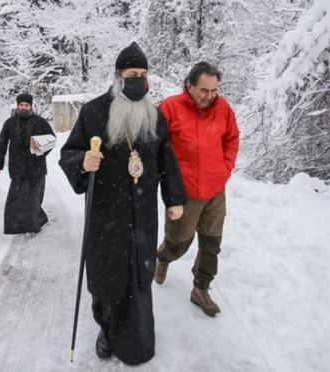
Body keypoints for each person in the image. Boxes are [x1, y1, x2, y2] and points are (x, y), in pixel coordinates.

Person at [59, 42, 187, 365]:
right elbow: (68, 152)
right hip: (106, 215)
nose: (139, 80)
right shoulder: (94, 111)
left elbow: (166, 159)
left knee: (139, 277)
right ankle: (106, 329)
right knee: (106, 279)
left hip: (143, 216)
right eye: (133, 74)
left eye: (144, 75)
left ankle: (139, 336)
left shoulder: (155, 117)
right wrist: (82, 162)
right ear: (118, 76)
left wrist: (174, 198)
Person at [154, 62, 240, 317]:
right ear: (189, 85)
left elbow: (232, 138)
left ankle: (200, 288)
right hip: (184, 194)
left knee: (211, 243)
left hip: (215, 190)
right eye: (204, 90)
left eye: (214, 90)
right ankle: (164, 257)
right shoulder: (170, 108)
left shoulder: (223, 108)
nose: (210, 96)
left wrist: (225, 168)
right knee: (179, 242)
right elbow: (156, 146)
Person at [0, 93, 56, 234]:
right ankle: (18, 226)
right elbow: (1, 143)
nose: (23, 107)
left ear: (31, 106)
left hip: (36, 168)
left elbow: (52, 141)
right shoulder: (9, 123)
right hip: (17, 167)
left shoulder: (40, 122)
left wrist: (39, 147)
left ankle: (34, 224)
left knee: (33, 199)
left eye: (26, 105)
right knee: (15, 199)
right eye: (21, 105)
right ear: (17, 106)